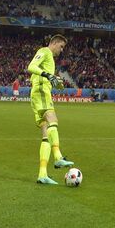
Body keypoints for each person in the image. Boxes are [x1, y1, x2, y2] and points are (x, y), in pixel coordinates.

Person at [28, 34, 75, 186]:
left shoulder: (50, 60)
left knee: (45, 135)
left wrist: (56, 82)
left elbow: (43, 76)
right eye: (61, 46)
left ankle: (42, 175)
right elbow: (31, 67)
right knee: (53, 120)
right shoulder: (45, 51)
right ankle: (58, 157)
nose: (62, 50)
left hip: (39, 93)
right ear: (54, 43)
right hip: (41, 92)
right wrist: (49, 75)